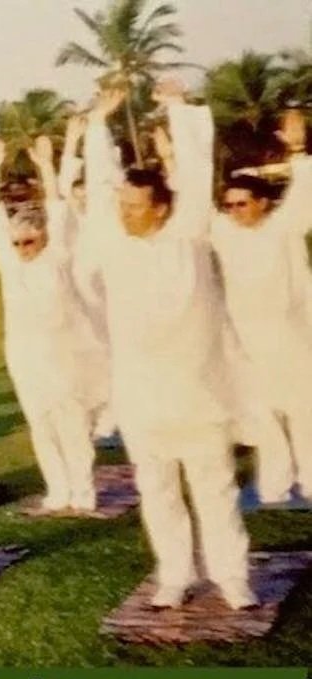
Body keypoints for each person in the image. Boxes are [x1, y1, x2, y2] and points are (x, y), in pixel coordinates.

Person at [83, 81, 255, 610]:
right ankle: (175, 575)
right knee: (156, 489)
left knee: (214, 487)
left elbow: (198, 173)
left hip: (199, 390)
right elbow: (100, 182)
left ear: (161, 208)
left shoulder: (189, 234)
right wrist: (98, 123)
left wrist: (179, 109)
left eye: (136, 207)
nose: (125, 213)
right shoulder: (113, 242)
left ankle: (232, 578)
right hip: (141, 396)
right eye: (123, 205)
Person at [0, 135, 107, 512]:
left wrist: (46, 166)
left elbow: (56, 207)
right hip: (25, 355)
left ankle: (82, 491)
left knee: (72, 421)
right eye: (17, 243)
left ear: (44, 238)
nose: (22, 248)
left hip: (64, 351)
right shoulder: (9, 262)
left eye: (29, 242)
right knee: (40, 423)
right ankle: (58, 489)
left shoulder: (58, 256)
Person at [207, 109, 312, 503]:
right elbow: (193, 203)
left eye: (242, 204)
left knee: (304, 410)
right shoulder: (224, 231)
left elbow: (305, 190)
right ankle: (275, 484)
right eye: (229, 205)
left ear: (263, 203)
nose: (235, 212)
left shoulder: (285, 226)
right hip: (247, 340)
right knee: (263, 414)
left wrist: (298, 150)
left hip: (294, 336)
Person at [58, 114, 118, 440]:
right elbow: (62, 188)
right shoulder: (69, 219)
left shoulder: (104, 218)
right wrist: (71, 141)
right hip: (78, 292)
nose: (81, 198)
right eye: (77, 194)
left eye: (85, 193)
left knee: (114, 352)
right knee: (86, 356)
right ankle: (97, 416)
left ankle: (112, 416)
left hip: (107, 290)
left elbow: (106, 176)